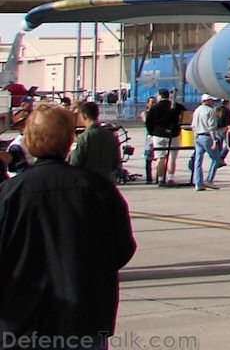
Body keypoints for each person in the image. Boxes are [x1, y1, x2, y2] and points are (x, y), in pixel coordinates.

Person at [0, 102, 137, 345]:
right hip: (84, 318)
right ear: (69, 141)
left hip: (22, 323)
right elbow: (123, 248)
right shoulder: (99, 190)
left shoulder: (9, 194)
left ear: (29, 140)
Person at [68, 100, 122, 184]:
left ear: (84, 116)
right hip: (106, 184)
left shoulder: (83, 138)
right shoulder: (111, 136)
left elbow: (74, 163)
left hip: (87, 184)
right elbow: (116, 162)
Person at [145, 89, 181, 187]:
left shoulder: (155, 108)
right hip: (173, 133)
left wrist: (152, 132)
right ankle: (170, 178)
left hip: (158, 133)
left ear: (159, 96)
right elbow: (185, 115)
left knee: (160, 157)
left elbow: (148, 122)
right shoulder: (175, 106)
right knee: (172, 157)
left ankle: (160, 179)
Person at [190, 95, 221, 190]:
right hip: (207, 136)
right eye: (211, 100)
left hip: (198, 136)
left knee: (198, 161)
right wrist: (215, 140)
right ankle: (209, 180)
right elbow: (212, 127)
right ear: (207, 101)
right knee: (216, 159)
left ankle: (198, 183)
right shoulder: (210, 111)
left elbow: (193, 125)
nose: (213, 102)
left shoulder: (197, 110)